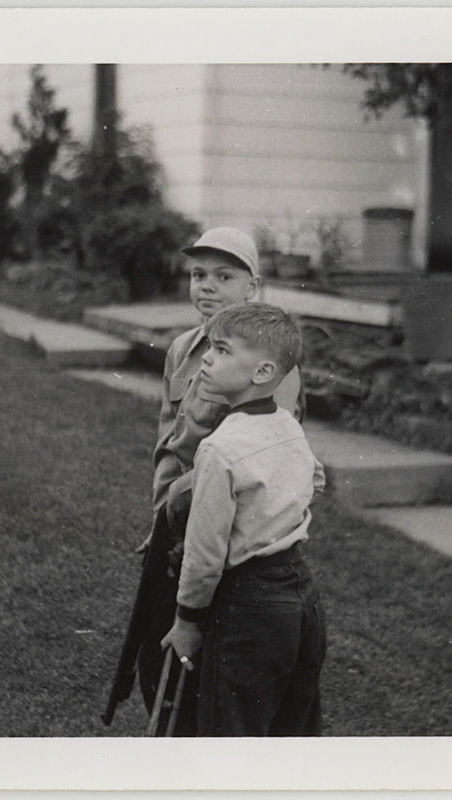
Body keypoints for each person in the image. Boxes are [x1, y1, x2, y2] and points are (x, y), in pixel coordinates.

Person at [102, 227, 301, 734]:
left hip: (225, 529)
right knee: (155, 642)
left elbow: (264, 455)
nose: (206, 287)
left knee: (205, 654)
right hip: (176, 522)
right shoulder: (182, 350)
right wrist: (161, 516)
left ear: (252, 286)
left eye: (224, 276)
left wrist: (181, 508)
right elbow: (170, 440)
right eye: (198, 275)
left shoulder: (268, 366)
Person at [161, 302, 327, 736]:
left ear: (262, 373)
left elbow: (204, 554)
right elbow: (316, 477)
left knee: (232, 732)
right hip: (302, 597)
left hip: (249, 606)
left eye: (221, 349)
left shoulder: (219, 450)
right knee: (291, 729)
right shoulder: (287, 425)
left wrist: (185, 622)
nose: (207, 359)